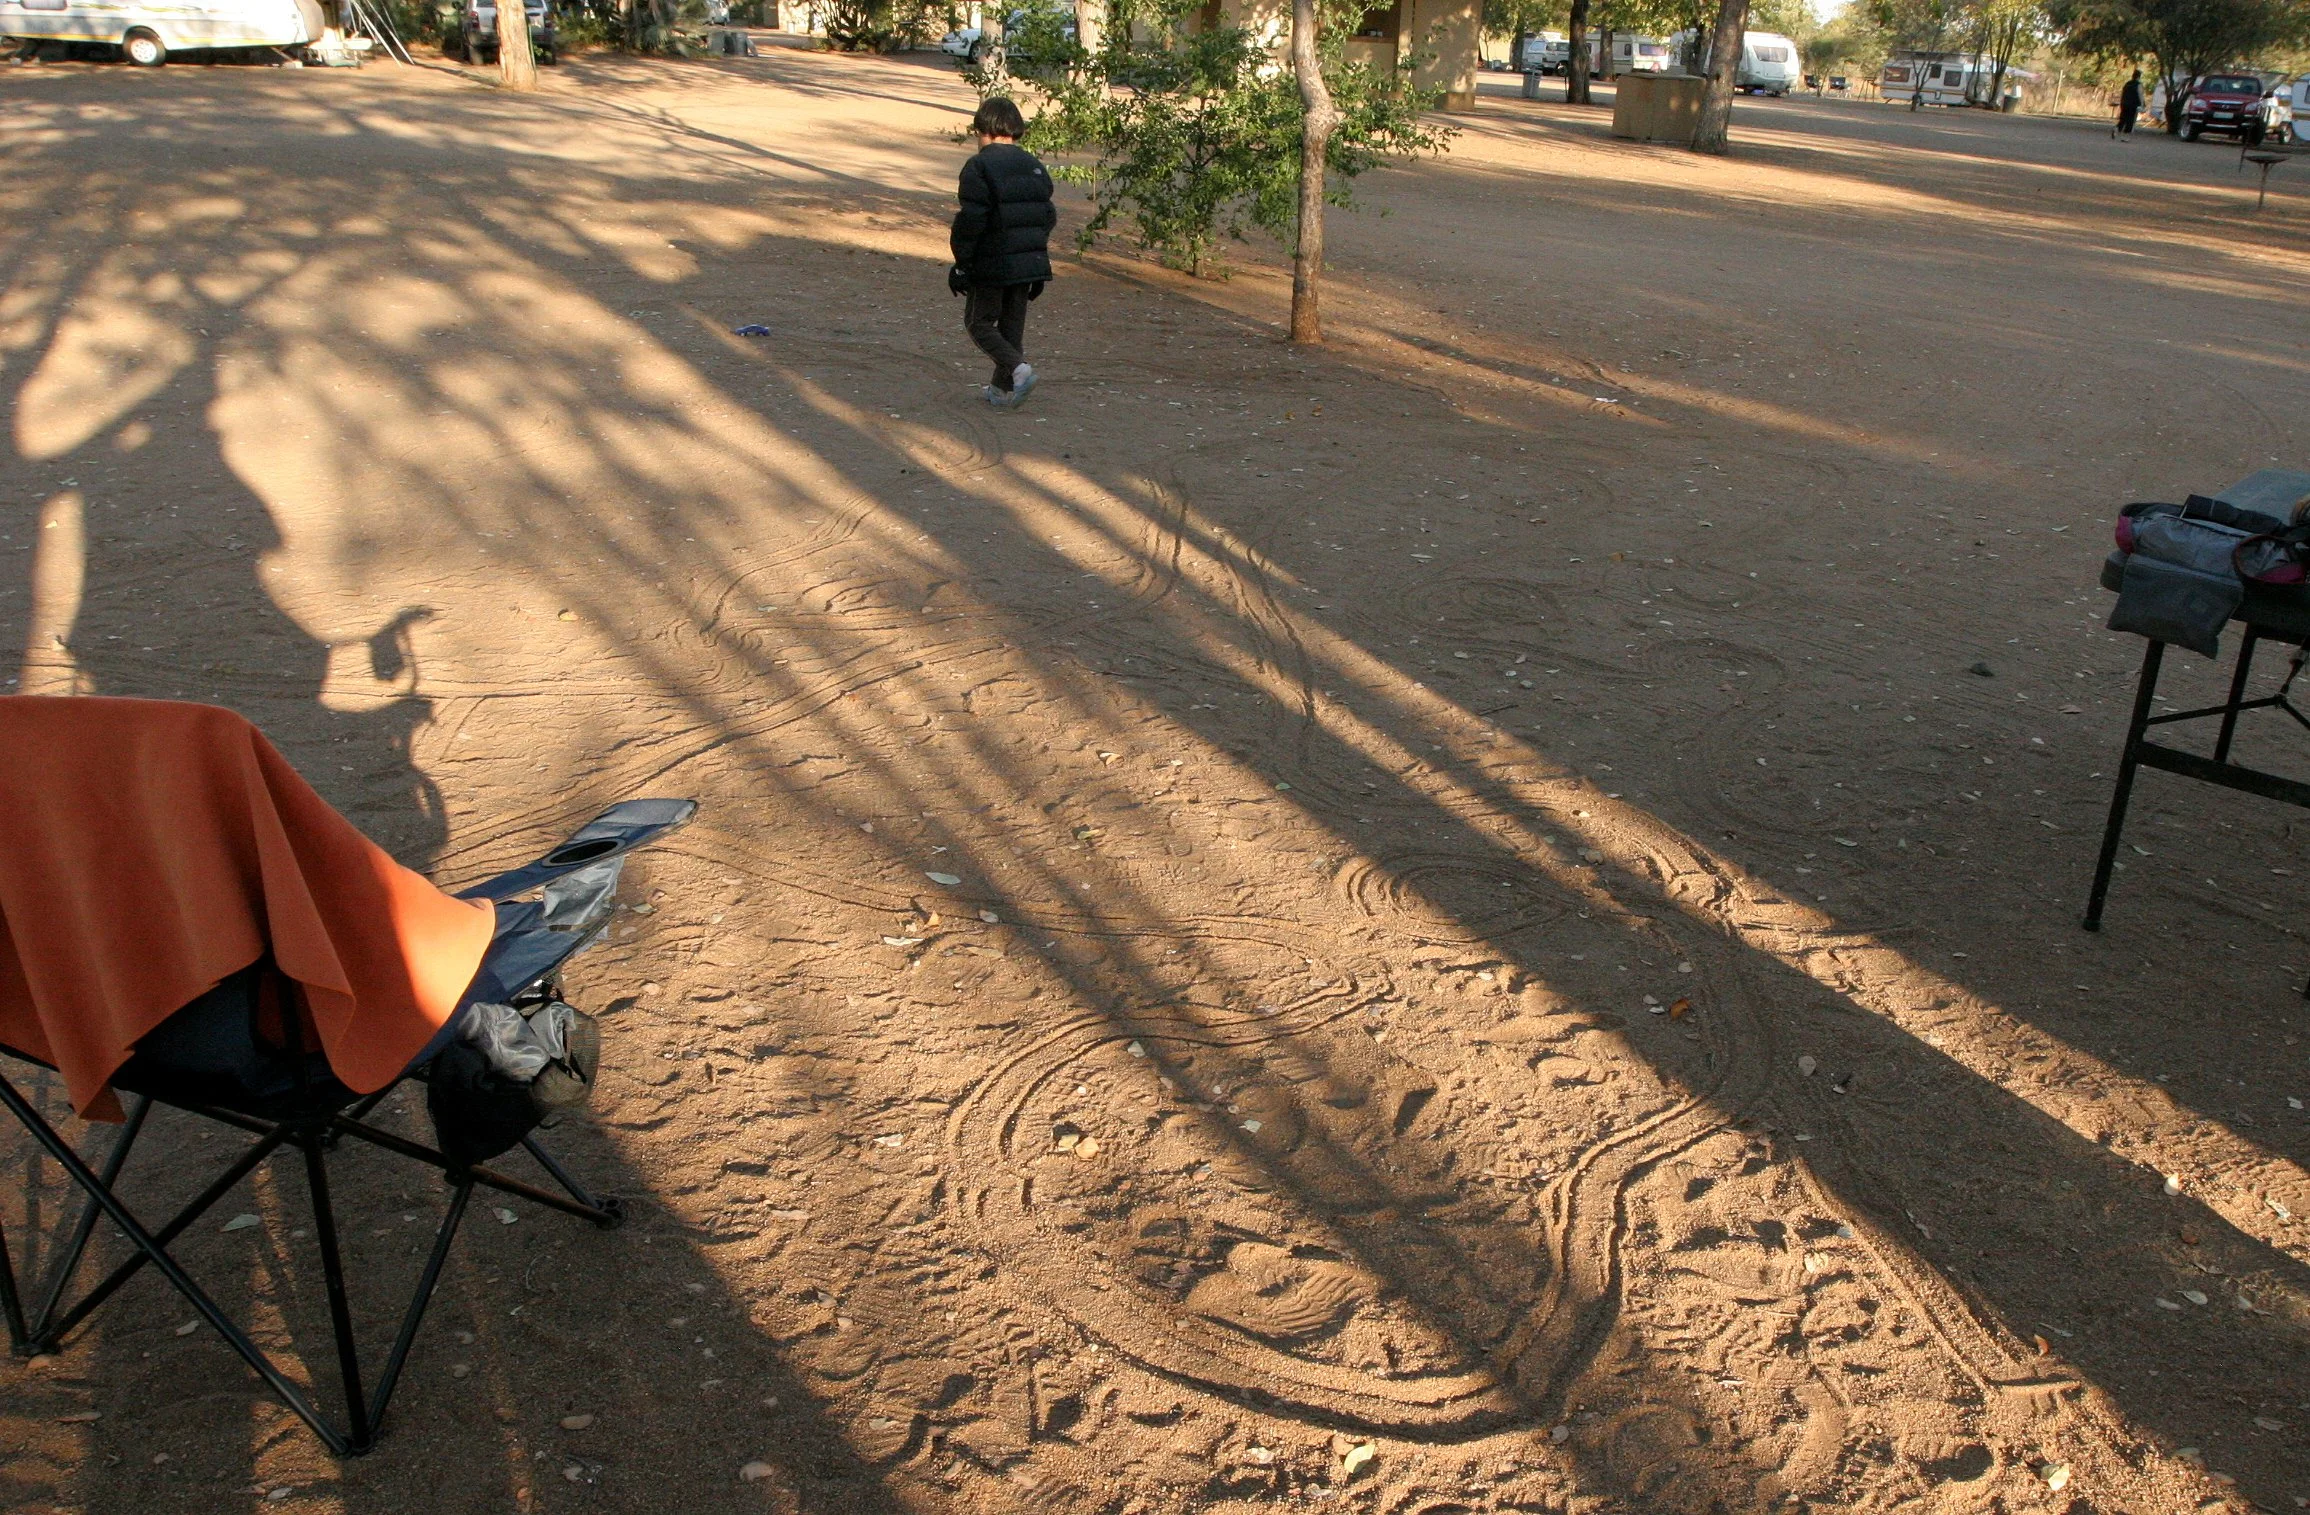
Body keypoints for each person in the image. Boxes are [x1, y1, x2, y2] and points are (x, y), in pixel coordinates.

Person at [949, 97, 1056, 410]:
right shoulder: (1034, 166)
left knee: (978, 322)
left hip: (993, 261)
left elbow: (971, 219)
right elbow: (1046, 217)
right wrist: (1037, 262)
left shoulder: (979, 166)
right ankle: (1000, 390)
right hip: (1027, 261)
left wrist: (962, 263)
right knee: (1011, 328)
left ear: (982, 130)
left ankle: (1020, 371)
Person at [2115, 69, 2142, 140]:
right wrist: (2142, 104)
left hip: (2124, 103)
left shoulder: (2127, 83)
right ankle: (2126, 136)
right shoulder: (2138, 85)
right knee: (2130, 120)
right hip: (2133, 105)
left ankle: (2117, 129)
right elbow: (2140, 95)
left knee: (2123, 118)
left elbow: (2123, 93)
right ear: (2139, 77)